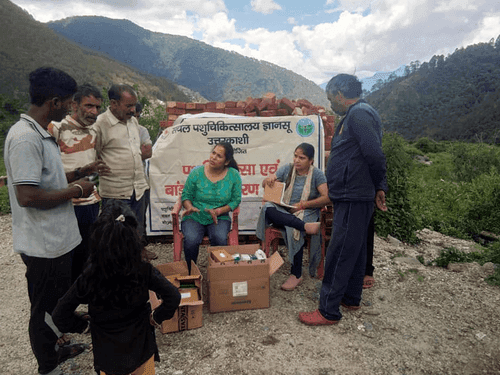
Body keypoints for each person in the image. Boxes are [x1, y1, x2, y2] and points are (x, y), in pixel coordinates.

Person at [4, 67, 96, 375]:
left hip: (57, 241)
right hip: (43, 245)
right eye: (69, 102)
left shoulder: (41, 134)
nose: (71, 108)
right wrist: (76, 190)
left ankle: (59, 346)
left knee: (57, 303)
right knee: (43, 309)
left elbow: (47, 181)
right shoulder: (25, 138)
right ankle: (48, 365)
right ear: (54, 102)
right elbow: (27, 196)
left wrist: (77, 174)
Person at [52, 199, 181, 375]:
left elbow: (60, 315)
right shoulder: (143, 270)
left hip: (108, 358)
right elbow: (173, 296)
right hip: (141, 351)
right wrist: (157, 317)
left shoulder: (89, 276)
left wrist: (84, 326)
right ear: (134, 237)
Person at [299, 73, 388, 326]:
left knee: (339, 251)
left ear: (340, 94)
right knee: (356, 248)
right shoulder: (357, 114)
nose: (330, 104)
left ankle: (328, 310)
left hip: (353, 194)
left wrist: (380, 185)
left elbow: (375, 154)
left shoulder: (359, 114)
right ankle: (351, 297)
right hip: (355, 193)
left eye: (330, 98)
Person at [48, 83, 111, 281]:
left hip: (91, 202)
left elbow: (94, 161)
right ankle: (63, 305)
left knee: (87, 253)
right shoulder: (56, 128)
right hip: (66, 202)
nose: (94, 112)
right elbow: (47, 169)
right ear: (74, 105)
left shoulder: (94, 131)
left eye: (97, 107)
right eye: (89, 106)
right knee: (65, 256)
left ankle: (79, 299)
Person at [256, 143, 330, 290]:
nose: (296, 160)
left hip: (305, 211)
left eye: (301, 158)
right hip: (284, 209)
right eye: (295, 156)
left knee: (292, 228)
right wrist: (268, 181)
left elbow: (327, 198)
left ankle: (296, 274)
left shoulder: (317, 174)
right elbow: (266, 185)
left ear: (311, 161)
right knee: (267, 208)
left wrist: (304, 205)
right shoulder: (287, 168)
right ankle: (304, 227)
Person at [94, 84, 149, 243]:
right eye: (129, 106)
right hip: (115, 194)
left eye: (134, 105)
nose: (133, 110)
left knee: (136, 234)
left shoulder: (132, 122)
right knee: (116, 240)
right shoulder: (100, 124)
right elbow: (91, 158)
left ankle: (135, 265)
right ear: (113, 103)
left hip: (138, 190)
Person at [181, 142, 242, 271]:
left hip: (220, 217)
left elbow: (235, 200)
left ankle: (218, 274)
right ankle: (190, 272)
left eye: (219, 156)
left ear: (226, 162)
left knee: (219, 239)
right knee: (191, 240)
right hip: (195, 216)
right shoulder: (196, 172)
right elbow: (186, 195)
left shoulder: (233, 175)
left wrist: (219, 211)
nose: (213, 157)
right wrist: (189, 207)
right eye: (213, 153)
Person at [134, 102, 156, 261]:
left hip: (141, 182)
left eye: (137, 115)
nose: (135, 118)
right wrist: (136, 152)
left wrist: (120, 153)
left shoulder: (142, 131)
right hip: (119, 184)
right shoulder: (113, 130)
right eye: (131, 115)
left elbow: (147, 152)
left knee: (140, 218)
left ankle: (141, 250)